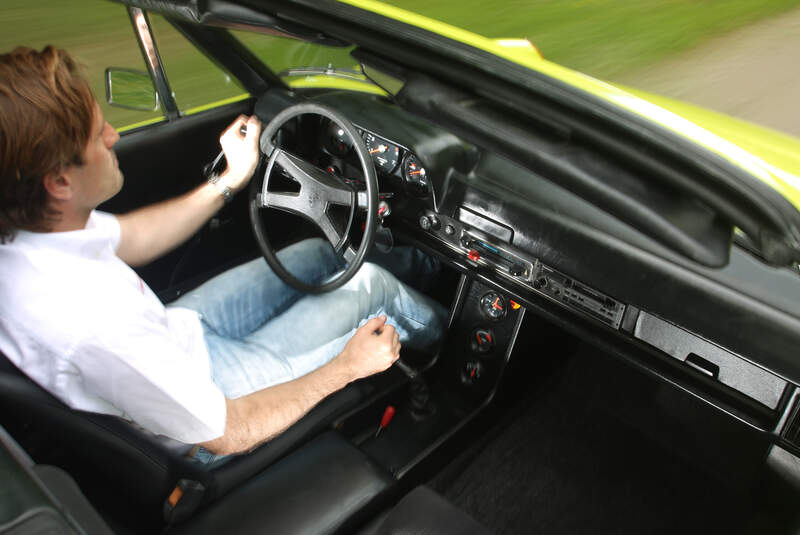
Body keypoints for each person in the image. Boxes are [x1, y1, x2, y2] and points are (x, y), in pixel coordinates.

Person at [0, 46, 445, 458]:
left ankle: (431, 270)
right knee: (371, 287)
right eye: (98, 137)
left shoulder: (35, 231)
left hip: (180, 335)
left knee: (320, 253)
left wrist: (229, 179)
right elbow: (231, 432)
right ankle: (455, 338)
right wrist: (348, 367)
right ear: (59, 182)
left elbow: (132, 237)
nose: (114, 136)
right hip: (216, 405)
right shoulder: (91, 325)